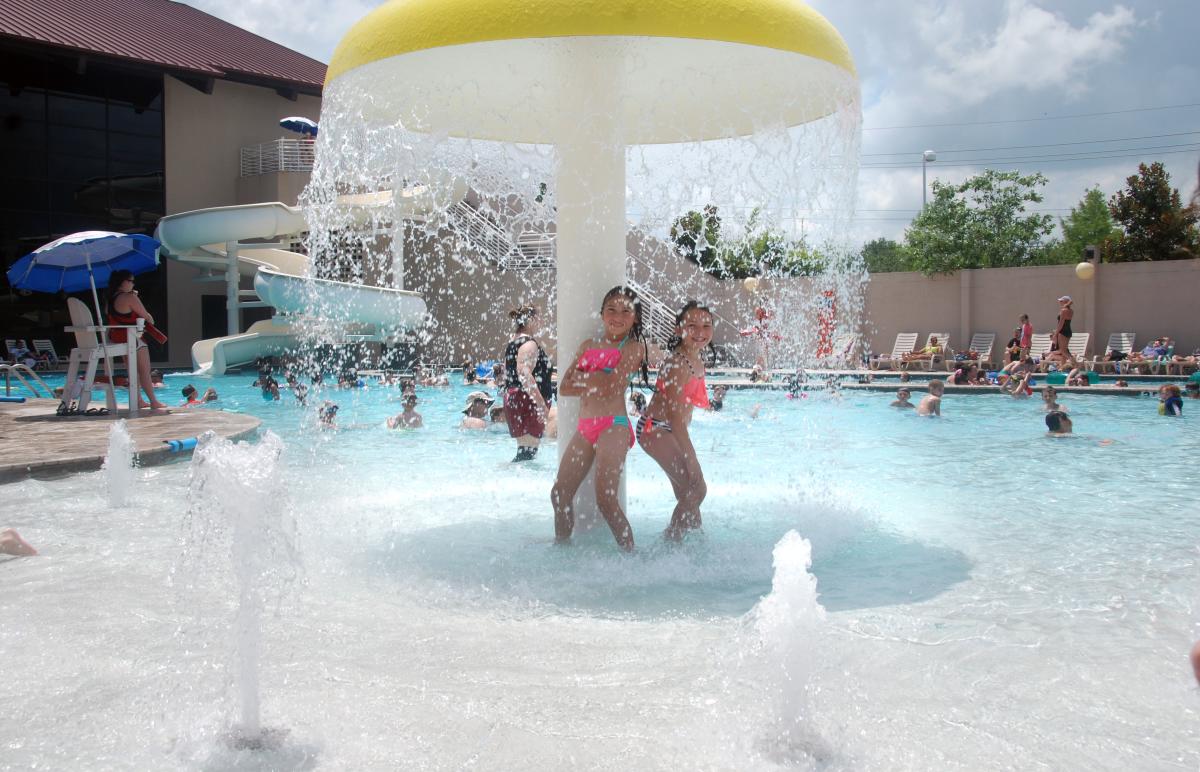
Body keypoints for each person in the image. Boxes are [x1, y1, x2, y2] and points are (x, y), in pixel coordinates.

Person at [552, 286, 650, 551]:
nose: (617, 316)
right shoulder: (588, 345)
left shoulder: (633, 347)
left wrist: (587, 379)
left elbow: (612, 387)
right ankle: (562, 550)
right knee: (560, 494)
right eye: (611, 309)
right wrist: (597, 379)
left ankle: (631, 558)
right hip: (586, 428)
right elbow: (564, 388)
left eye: (626, 311)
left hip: (614, 426)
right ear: (602, 313)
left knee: (606, 499)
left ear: (636, 318)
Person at [637, 300, 714, 541]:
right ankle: (667, 546)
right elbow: (675, 418)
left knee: (688, 499)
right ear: (678, 329)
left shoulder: (694, 358)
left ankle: (687, 552)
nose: (700, 332)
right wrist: (693, 461)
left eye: (706, 325)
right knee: (697, 489)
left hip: (668, 430)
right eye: (691, 325)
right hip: (655, 429)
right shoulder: (677, 363)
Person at [106, 269, 167, 410]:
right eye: (130, 281)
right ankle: (153, 401)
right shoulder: (130, 298)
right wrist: (135, 299)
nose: (133, 283)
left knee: (132, 372)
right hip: (133, 339)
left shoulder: (110, 298)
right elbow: (149, 319)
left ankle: (139, 400)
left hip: (118, 338)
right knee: (145, 371)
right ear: (122, 282)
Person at [502, 304, 553, 462]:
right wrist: (541, 405)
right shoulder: (529, 343)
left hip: (516, 398)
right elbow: (524, 374)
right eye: (538, 318)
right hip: (526, 401)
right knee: (527, 453)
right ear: (530, 320)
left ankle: (509, 477)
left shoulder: (513, 342)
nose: (541, 322)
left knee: (525, 452)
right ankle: (509, 480)